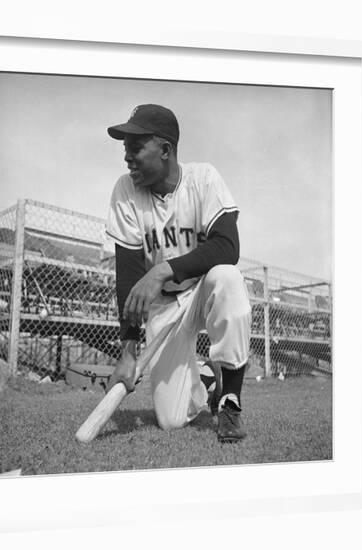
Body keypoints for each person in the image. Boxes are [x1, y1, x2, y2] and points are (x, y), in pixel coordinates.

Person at [104, 104, 251, 443]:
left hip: (203, 291)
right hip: (166, 307)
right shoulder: (125, 190)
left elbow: (228, 246)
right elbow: (127, 276)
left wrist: (161, 270)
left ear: (166, 150)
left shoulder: (204, 178)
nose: (127, 156)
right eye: (125, 147)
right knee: (171, 420)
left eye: (135, 146)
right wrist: (128, 350)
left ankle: (230, 399)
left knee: (228, 277)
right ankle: (206, 380)